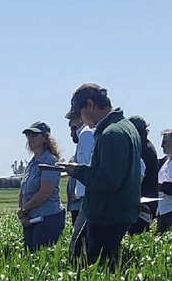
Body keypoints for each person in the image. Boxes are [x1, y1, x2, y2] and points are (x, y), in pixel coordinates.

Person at [59, 83, 140, 267]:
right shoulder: (125, 127)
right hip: (118, 211)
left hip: (107, 215)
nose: (81, 119)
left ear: (90, 104)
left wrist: (77, 171)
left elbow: (106, 181)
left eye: (80, 112)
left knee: (95, 267)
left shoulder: (112, 133)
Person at [17, 121, 65, 251]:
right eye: (28, 135)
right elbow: (23, 192)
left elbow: (44, 193)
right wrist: (23, 214)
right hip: (31, 219)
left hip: (47, 218)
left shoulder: (50, 160)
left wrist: (24, 209)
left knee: (42, 256)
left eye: (34, 135)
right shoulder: (32, 163)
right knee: (30, 256)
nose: (30, 138)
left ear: (44, 137)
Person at [127, 116, 161, 235]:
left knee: (136, 234)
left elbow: (138, 177)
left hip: (142, 204)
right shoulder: (146, 146)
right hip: (145, 202)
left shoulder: (143, 150)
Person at [64, 110, 94, 227]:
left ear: (81, 119)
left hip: (83, 198)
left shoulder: (86, 134)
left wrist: (80, 194)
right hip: (80, 198)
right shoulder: (84, 135)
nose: (72, 133)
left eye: (73, 127)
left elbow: (87, 165)